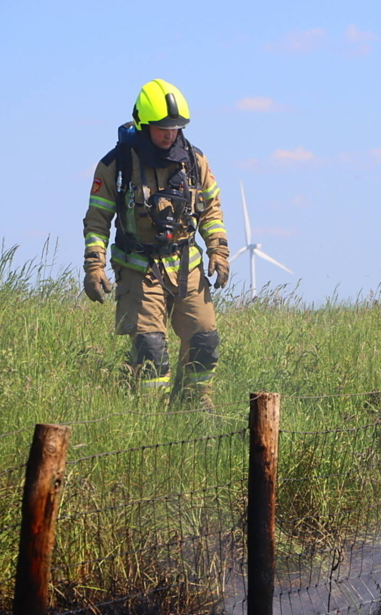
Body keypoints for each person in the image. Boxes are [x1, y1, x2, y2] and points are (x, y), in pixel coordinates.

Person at [82, 79, 229, 409]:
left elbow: (212, 209)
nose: (170, 134)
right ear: (143, 124)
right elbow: (97, 219)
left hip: (187, 265)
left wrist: (218, 251)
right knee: (150, 349)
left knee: (204, 340)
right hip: (139, 268)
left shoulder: (194, 160)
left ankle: (195, 409)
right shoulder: (115, 165)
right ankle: (151, 418)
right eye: (162, 127)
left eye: (176, 127)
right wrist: (94, 264)